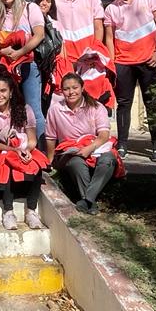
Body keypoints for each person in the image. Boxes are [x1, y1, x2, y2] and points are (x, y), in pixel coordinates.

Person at [104, 0, 156, 161]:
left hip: (149, 60)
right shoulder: (111, 8)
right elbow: (109, 38)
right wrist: (112, 64)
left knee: (152, 103)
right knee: (123, 105)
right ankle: (123, 145)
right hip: (123, 62)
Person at [45, 73, 121, 214]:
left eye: (75, 88)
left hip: (94, 147)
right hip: (69, 151)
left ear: (82, 88)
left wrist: (89, 149)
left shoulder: (96, 107)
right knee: (76, 163)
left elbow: (104, 135)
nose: (71, 92)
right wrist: (50, 160)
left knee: (108, 159)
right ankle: (90, 202)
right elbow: (50, 137)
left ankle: (87, 200)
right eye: (66, 89)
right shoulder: (55, 109)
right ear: (62, 91)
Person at [0, 73, 47, 230]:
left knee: (37, 163)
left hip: (24, 147)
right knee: (7, 163)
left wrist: (27, 150)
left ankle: (31, 210)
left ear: (11, 92)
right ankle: (8, 211)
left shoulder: (25, 109)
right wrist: (13, 149)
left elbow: (32, 139)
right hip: (4, 150)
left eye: (3, 91)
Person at [0, 0, 46, 143]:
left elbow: (39, 35)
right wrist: (4, 51)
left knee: (34, 109)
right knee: (13, 109)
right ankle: (17, 145)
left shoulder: (30, 8)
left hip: (28, 65)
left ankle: (40, 149)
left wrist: (19, 52)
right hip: (7, 67)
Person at [53, 0, 106, 90]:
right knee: (69, 96)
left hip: (89, 57)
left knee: (92, 95)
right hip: (66, 58)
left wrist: (94, 52)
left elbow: (99, 27)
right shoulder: (55, 2)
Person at [35, 0, 60, 115]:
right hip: (33, 65)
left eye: (48, 1)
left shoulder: (55, 24)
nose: (44, 3)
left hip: (49, 68)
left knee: (46, 103)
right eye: (41, 0)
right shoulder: (27, 19)